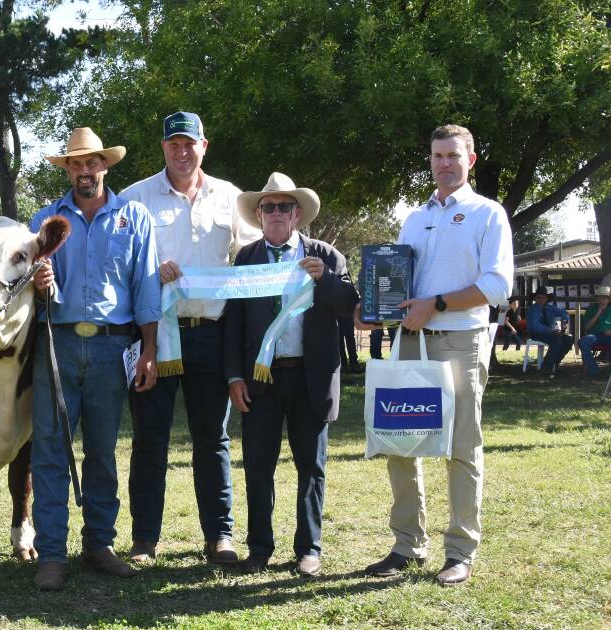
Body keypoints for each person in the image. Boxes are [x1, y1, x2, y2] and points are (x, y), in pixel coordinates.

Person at [358, 124, 513, 587]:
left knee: (461, 448)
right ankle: (408, 544)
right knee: (400, 443)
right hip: (410, 340)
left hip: (461, 340)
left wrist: (439, 304)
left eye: (453, 155)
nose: (444, 163)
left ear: (471, 160)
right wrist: (376, 311)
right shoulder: (413, 217)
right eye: (437, 156)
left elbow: (498, 286)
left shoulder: (489, 214)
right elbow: (398, 284)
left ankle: (460, 551)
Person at [117, 112, 260, 566]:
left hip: (212, 335)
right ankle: (144, 539)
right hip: (155, 337)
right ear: (163, 148)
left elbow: (257, 255)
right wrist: (149, 271)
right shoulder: (134, 199)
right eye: (174, 144)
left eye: (190, 144)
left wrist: (298, 265)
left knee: (212, 439)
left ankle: (220, 536)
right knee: (149, 438)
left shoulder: (230, 198)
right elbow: (116, 265)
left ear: (204, 146)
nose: (182, 152)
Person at [29, 127, 161, 590]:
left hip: (112, 346)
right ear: (66, 169)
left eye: (92, 163)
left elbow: (146, 286)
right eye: (76, 164)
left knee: (102, 452)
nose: (85, 172)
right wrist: (38, 283)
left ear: (105, 165)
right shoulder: (43, 221)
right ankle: (50, 554)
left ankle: (98, 545)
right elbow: (24, 287)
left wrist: (148, 349)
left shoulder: (134, 217)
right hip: (56, 343)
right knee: (49, 450)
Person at [223, 172, 359, 577]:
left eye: (285, 206)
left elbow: (349, 308)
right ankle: (260, 547)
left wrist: (326, 279)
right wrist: (234, 376)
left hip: (310, 377)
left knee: (311, 466)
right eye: (269, 207)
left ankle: (309, 548)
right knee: (258, 466)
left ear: (297, 214)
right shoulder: (245, 259)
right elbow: (233, 324)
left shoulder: (328, 256)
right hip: (260, 378)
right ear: (259, 215)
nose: (277, 213)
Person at [526, 287, 573, 378]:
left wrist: (564, 322)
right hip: (535, 333)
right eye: (538, 297)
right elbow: (535, 326)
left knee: (568, 339)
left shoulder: (550, 308)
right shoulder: (532, 310)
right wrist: (551, 331)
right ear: (535, 298)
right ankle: (546, 368)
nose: (540, 300)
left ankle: (555, 363)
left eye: (543, 297)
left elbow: (564, 313)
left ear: (547, 298)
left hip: (550, 332)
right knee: (556, 340)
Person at [577, 286, 611, 376]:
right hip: (594, 336)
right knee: (582, 341)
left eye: (604, 298)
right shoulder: (591, 310)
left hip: (610, 336)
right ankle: (593, 369)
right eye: (599, 298)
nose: (601, 300)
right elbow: (587, 327)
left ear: (608, 300)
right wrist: (598, 312)